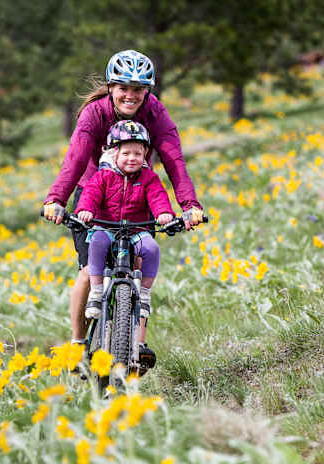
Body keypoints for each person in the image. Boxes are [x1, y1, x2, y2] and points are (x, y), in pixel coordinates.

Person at [43, 49, 204, 346]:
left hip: (138, 193)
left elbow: (174, 160)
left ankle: (137, 346)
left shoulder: (155, 112)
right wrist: (56, 199)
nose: (130, 95)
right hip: (95, 192)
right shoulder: (94, 113)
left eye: (138, 90)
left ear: (147, 91)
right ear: (110, 88)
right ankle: (78, 344)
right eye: (123, 89)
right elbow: (76, 158)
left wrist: (189, 205)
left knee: (141, 268)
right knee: (86, 271)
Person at [75, 120, 173, 352]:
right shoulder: (103, 176)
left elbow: (158, 197)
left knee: (152, 249)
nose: (132, 158)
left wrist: (164, 214)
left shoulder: (149, 178)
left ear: (145, 154)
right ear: (113, 153)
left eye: (138, 153)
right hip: (106, 227)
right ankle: (97, 292)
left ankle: (145, 295)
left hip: (137, 229)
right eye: (126, 152)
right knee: (96, 241)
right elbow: (90, 193)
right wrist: (85, 210)